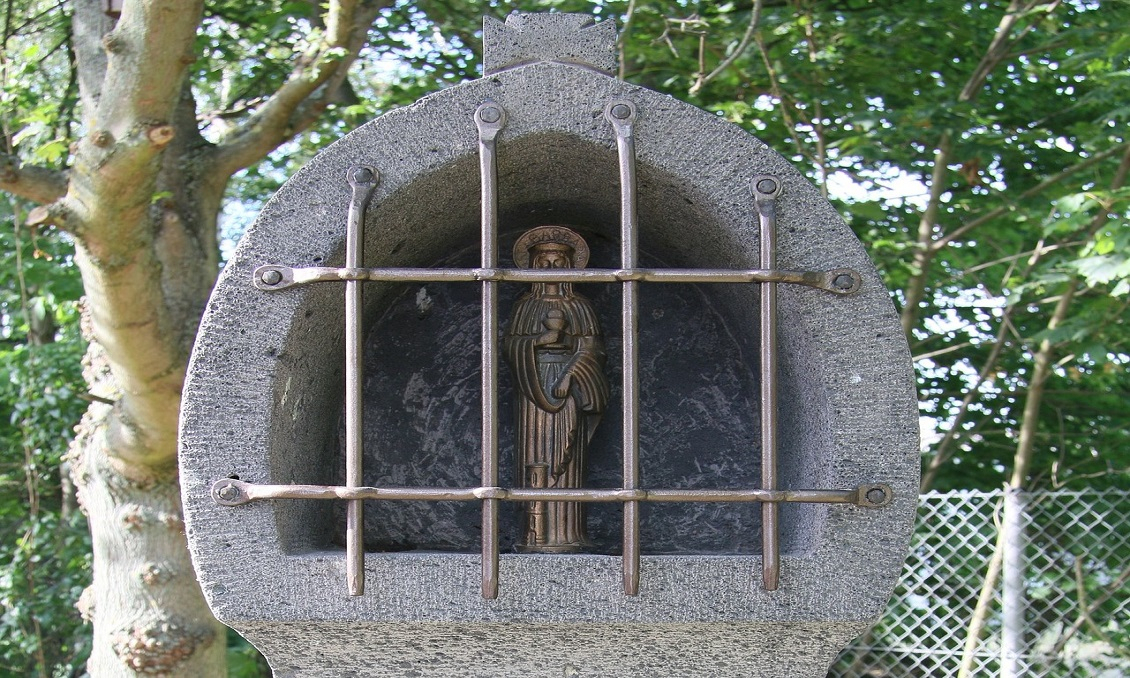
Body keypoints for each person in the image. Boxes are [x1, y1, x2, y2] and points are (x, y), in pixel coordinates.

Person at [504, 226, 608, 552]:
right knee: (534, 457)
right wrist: (538, 341)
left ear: (570, 266)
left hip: (568, 387)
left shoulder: (580, 306)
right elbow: (510, 347)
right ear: (533, 266)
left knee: (568, 459)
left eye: (558, 262)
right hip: (533, 388)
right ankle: (532, 534)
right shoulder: (525, 306)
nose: (551, 268)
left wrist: (569, 375)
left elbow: (593, 350)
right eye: (544, 262)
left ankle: (568, 533)